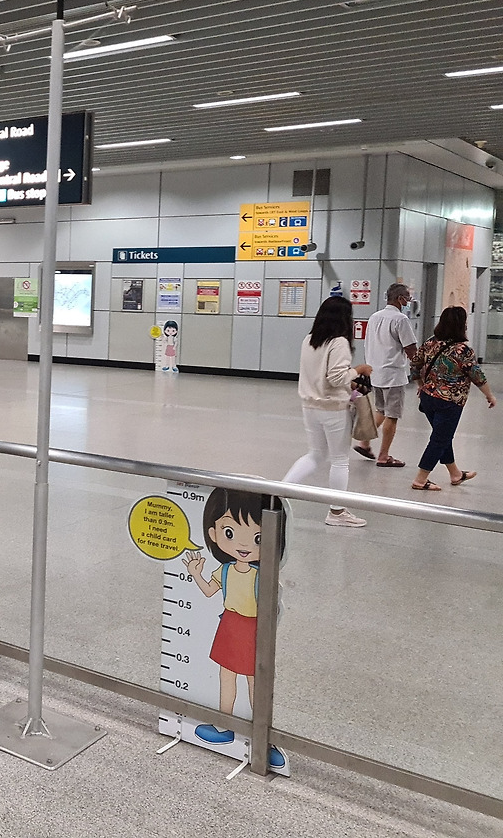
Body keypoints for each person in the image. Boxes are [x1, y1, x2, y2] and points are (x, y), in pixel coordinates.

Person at [182, 487, 286, 770]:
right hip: (229, 625)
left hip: (253, 629)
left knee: (255, 681)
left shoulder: (261, 575)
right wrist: (195, 574)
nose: (243, 544)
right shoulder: (225, 570)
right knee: (226, 677)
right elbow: (208, 591)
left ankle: (262, 734)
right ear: (214, 534)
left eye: (257, 538)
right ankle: (223, 725)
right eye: (229, 532)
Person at [282, 296, 372, 527]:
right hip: (333, 409)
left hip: (310, 406)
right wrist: (358, 370)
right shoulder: (339, 342)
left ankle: (279, 493)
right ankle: (337, 512)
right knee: (340, 460)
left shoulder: (309, 339)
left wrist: (349, 379)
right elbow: (336, 377)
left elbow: (321, 374)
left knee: (315, 454)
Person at [408, 306, 495, 491]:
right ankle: (420, 479)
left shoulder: (430, 343)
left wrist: (420, 385)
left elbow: (414, 364)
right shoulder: (463, 350)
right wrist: (489, 395)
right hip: (450, 402)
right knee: (439, 439)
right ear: (461, 325)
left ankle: (455, 473)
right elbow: (477, 376)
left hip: (428, 398)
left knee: (442, 436)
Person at [354, 283, 417, 467]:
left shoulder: (374, 317)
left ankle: (364, 443)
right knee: (392, 415)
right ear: (400, 299)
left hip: (375, 372)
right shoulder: (400, 319)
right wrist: (420, 369)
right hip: (393, 374)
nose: (409, 301)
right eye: (407, 298)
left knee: (381, 410)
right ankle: (383, 456)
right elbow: (411, 348)